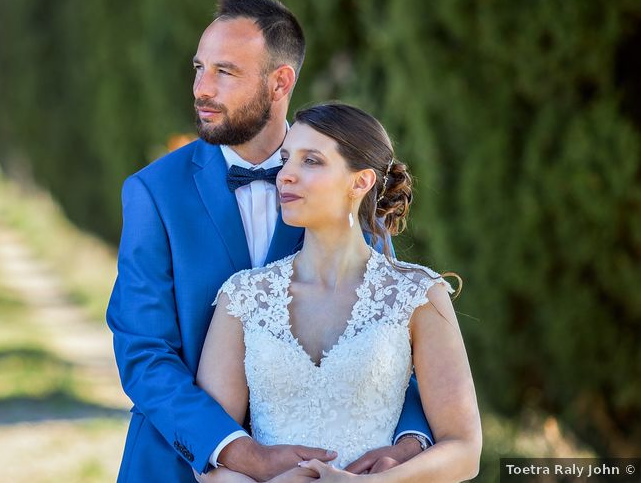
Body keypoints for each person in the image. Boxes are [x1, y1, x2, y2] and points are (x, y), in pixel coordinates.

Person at [107, 0, 433, 482]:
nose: (201, 88)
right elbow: (144, 354)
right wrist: (242, 455)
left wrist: (407, 445)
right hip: (179, 465)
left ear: (280, 82)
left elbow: (393, 338)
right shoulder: (153, 193)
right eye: (199, 68)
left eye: (225, 72)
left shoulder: (344, 185)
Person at [195, 103, 482, 482]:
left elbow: (464, 450)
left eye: (311, 161)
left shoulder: (417, 295)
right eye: (286, 160)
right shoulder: (243, 297)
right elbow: (212, 463)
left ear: (360, 182)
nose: (286, 176)